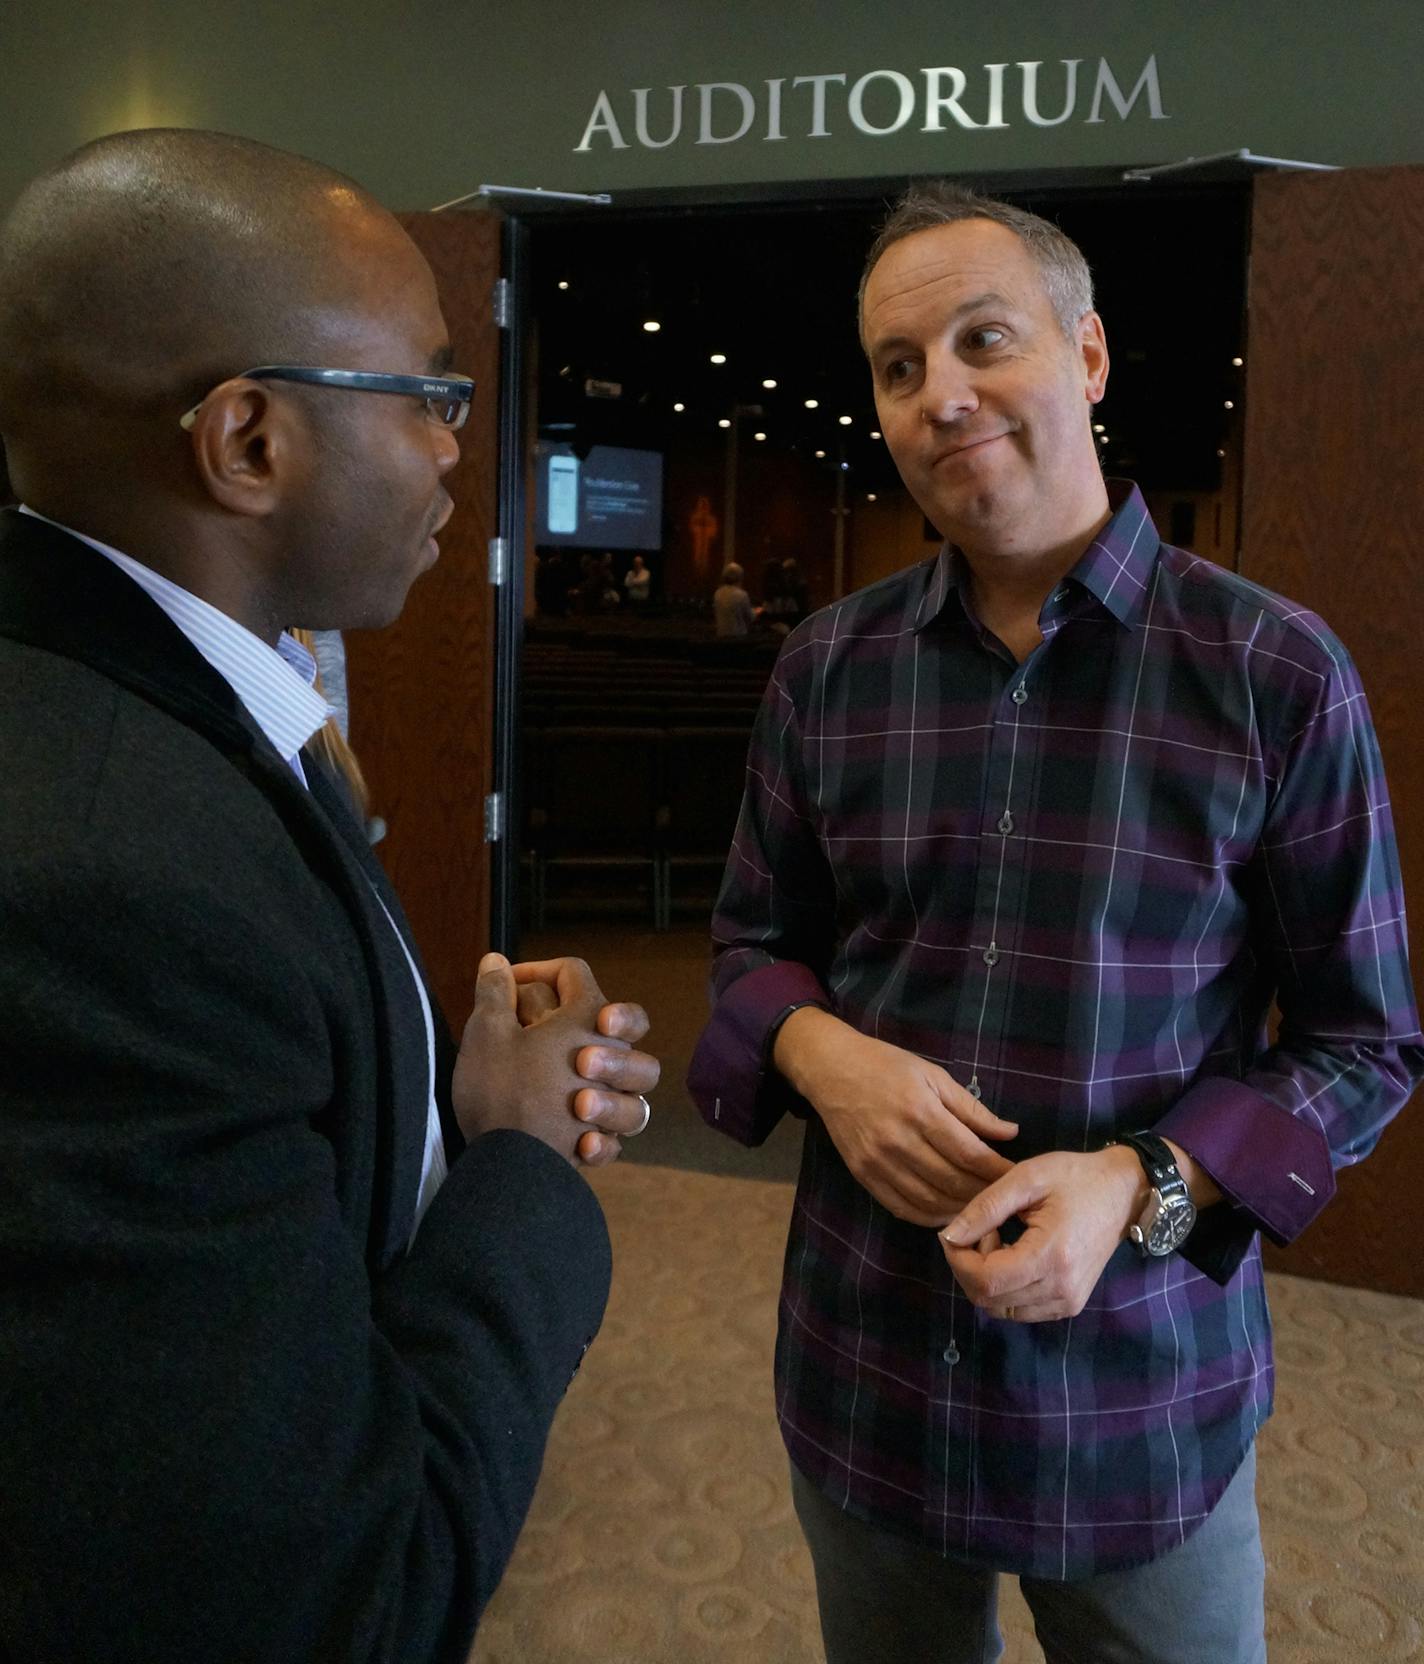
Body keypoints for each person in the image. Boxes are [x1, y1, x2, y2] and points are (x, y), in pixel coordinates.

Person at [688, 181, 1423, 1663]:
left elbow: (1367, 1043)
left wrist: (1148, 1183)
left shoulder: (1275, 671)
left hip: (1136, 1397)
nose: (941, 396)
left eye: (983, 341)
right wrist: (822, 1052)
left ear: (1086, 358)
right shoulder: (827, 670)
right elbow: (748, 952)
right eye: (900, 369)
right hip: (867, 1361)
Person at [0, 129, 660, 1664]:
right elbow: (336, 1606)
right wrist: (520, 1171)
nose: (454, 448)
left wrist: (437, 1082)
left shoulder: (165, 705)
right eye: (429, 393)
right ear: (247, 442)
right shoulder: (106, 884)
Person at [712, 560, 753, 637]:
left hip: (721, 635)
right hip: (738, 636)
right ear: (739, 577)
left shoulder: (717, 593)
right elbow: (750, 617)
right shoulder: (742, 595)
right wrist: (757, 611)